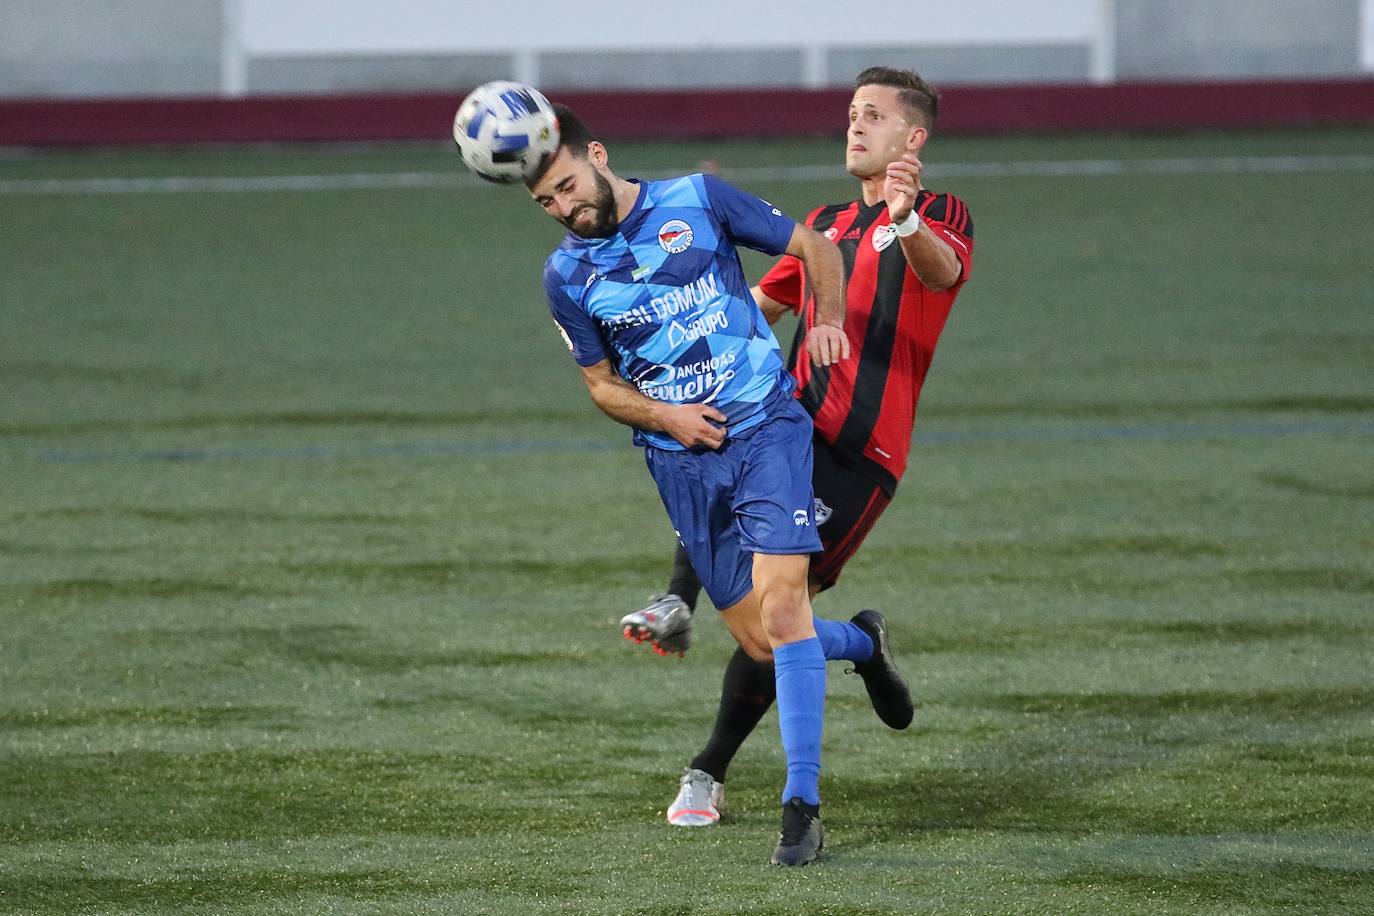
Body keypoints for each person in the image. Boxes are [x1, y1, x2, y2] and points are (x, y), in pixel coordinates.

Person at [530, 103, 914, 866]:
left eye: (570, 186)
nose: (566, 209)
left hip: (768, 428)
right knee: (764, 641)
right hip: (681, 463)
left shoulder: (696, 201)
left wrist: (828, 317)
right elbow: (601, 387)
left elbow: (815, 247)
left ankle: (800, 808)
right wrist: (665, 416)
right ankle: (862, 645)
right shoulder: (567, 276)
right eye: (546, 202)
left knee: (783, 604)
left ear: (598, 154)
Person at [616, 67, 976, 828]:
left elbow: (941, 273)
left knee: (779, 617)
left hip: (861, 457)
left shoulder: (941, 215)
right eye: (852, 113)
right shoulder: (827, 228)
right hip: (788, 426)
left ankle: (712, 765)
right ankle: (680, 600)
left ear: (913, 139)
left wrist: (907, 220)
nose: (855, 126)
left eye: (874, 116)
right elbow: (755, 308)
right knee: (706, 429)